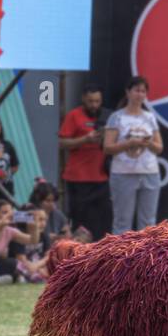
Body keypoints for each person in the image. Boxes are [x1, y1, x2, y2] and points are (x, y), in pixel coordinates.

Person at [104, 75, 163, 235]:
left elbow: (159, 148)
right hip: (123, 172)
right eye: (136, 90)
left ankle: (146, 257)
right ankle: (120, 257)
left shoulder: (150, 117)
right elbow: (107, 147)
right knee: (123, 221)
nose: (140, 95)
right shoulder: (117, 117)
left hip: (149, 172)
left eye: (143, 91)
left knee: (148, 222)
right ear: (128, 92)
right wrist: (129, 144)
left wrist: (147, 142)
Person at [59, 85, 111, 241]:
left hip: (102, 177)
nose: (94, 105)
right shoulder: (73, 116)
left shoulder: (108, 116)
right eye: (90, 101)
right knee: (80, 220)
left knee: (102, 221)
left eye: (97, 101)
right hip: (78, 177)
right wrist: (85, 139)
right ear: (83, 99)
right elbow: (62, 143)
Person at [0, 198, 42, 284]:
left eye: (10, 213)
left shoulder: (10, 231)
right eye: (4, 212)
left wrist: (35, 228)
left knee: (15, 263)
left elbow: (32, 241)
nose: (8, 216)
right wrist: (1, 223)